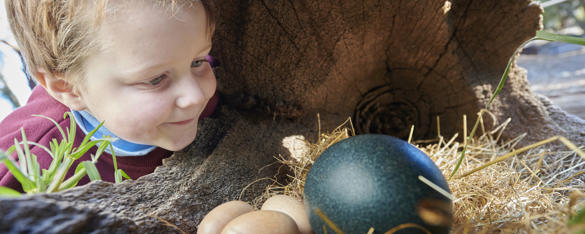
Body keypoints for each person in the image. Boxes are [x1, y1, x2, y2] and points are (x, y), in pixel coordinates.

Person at [0, 0, 218, 192]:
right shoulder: (24, 163)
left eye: (197, 61)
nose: (195, 96)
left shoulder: (206, 85)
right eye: (155, 79)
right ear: (67, 88)